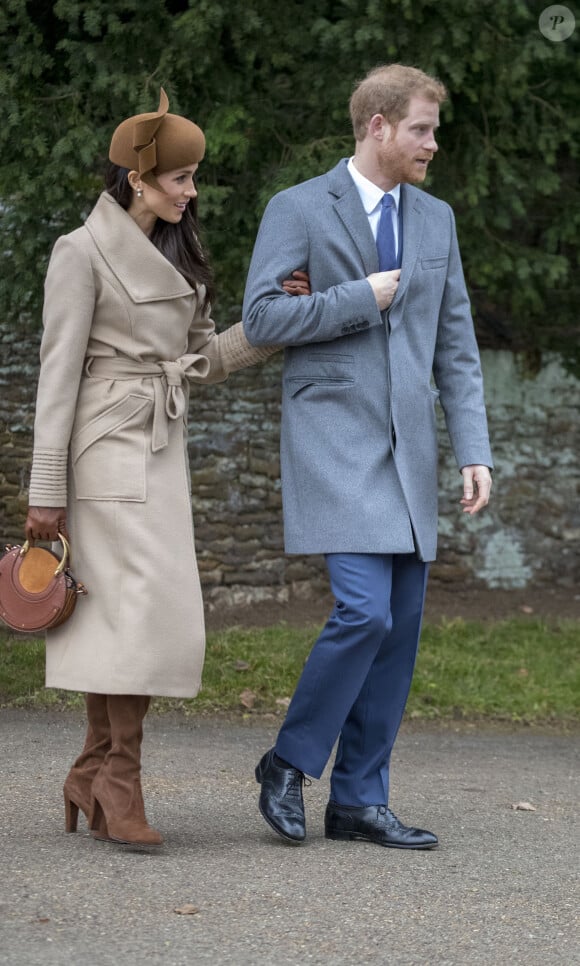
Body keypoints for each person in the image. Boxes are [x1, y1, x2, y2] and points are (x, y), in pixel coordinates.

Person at [25, 88, 308, 848]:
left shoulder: (179, 251)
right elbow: (56, 377)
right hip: (106, 450)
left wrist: (269, 325)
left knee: (132, 618)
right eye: (180, 178)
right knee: (130, 617)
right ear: (137, 180)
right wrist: (43, 493)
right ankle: (120, 780)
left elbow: (202, 361)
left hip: (160, 446)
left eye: (193, 178)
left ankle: (93, 769)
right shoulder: (78, 253)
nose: (192, 191)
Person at [243, 64, 493, 850]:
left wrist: (473, 449)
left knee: (401, 626)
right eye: (421, 128)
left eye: (434, 129)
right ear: (378, 125)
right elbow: (261, 317)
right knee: (364, 610)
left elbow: (455, 343)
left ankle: (357, 800)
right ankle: (288, 760)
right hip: (333, 441)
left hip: (409, 451)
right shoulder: (297, 208)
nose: (432, 142)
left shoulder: (439, 220)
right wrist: (363, 297)